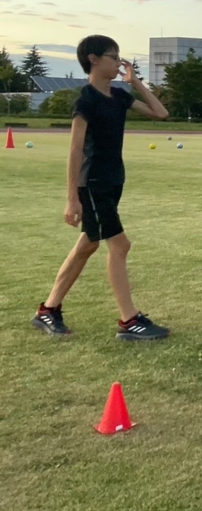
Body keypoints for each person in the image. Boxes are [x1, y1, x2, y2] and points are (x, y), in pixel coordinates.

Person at [32, 35, 171, 339]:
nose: (119, 62)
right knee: (120, 245)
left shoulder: (120, 97)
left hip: (113, 181)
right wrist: (72, 199)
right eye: (113, 56)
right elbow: (74, 150)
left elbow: (161, 113)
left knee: (89, 244)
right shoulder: (85, 100)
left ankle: (48, 310)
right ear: (93, 59)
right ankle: (129, 320)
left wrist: (136, 83)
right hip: (92, 183)